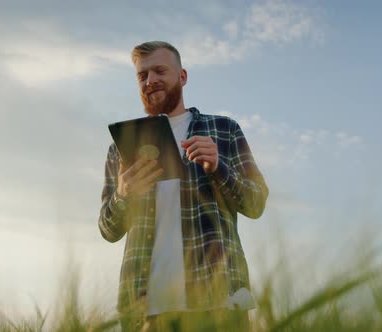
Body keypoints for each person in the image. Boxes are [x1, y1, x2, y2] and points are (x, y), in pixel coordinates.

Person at [98, 41, 268, 332]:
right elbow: (107, 229)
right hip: (145, 310)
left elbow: (256, 204)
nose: (150, 80)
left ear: (182, 76)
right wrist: (123, 194)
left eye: (160, 71)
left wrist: (218, 168)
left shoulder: (224, 129)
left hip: (218, 302)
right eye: (142, 75)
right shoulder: (120, 148)